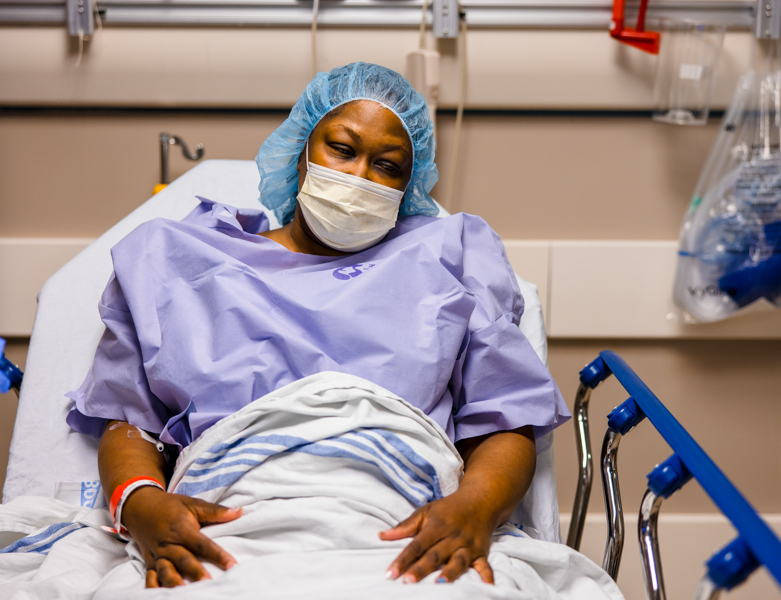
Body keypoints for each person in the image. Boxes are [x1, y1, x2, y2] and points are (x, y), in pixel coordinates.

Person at [66, 62, 570, 589]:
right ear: (302, 151)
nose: (358, 178)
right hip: (230, 515)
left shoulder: (451, 255)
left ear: (410, 185)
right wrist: (142, 503)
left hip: (402, 519)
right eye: (343, 149)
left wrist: (474, 507)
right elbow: (127, 420)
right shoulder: (176, 257)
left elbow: (506, 420)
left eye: (388, 165)